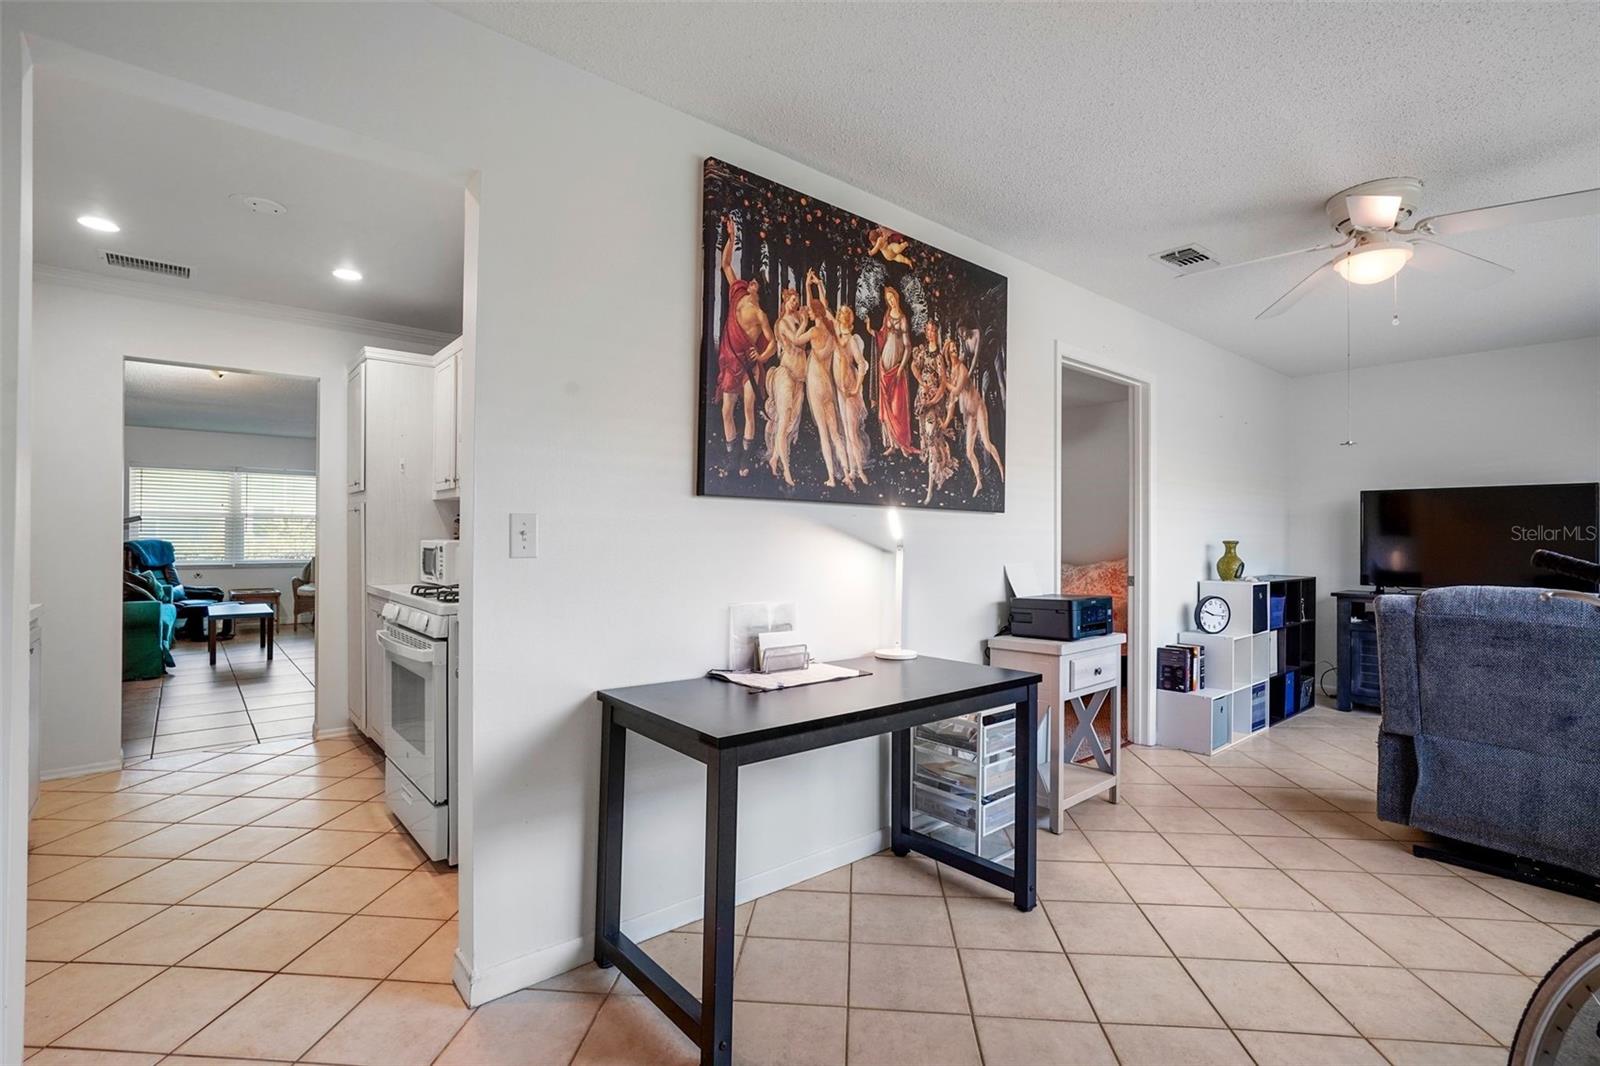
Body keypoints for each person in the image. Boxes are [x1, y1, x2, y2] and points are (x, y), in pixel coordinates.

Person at [715, 216, 774, 475]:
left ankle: (745, 459)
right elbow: (726, 264)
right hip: (731, 362)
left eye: (754, 283)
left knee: (749, 409)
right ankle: (731, 456)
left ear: (758, 290)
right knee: (727, 410)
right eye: (750, 281)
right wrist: (732, 237)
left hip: (749, 365)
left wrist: (760, 356)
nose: (749, 283)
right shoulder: (736, 293)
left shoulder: (760, 315)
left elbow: (773, 342)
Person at [801, 270, 850, 488]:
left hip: (815, 383)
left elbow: (794, 339)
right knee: (835, 433)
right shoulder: (831, 331)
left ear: (814, 313)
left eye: (810, 312)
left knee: (824, 432)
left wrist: (802, 321)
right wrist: (813, 285)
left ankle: (831, 476)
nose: (808, 313)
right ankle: (847, 473)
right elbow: (823, 305)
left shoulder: (812, 332)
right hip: (827, 386)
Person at [942, 331, 1005, 497]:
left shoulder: (962, 369)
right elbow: (952, 399)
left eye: (956, 349)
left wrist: (943, 381)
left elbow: (955, 389)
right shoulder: (952, 372)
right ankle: (979, 482)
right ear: (948, 354)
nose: (954, 352)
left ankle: (1001, 469)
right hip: (970, 415)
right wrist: (946, 421)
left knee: (986, 443)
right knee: (969, 452)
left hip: (978, 408)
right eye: (952, 350)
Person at [764, 284, 808, 487]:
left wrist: (808, 287)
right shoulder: (783, 323)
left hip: (800, 378)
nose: (796, 303)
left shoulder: (798, 319)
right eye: (792, 300)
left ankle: (774, 458)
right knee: (783, 423)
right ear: (785, 302)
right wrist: (805, 322)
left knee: (790, 422)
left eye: (797, 300)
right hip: (786, 375)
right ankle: (787, 471)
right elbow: (796, 340)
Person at [870, 285, 918, 460]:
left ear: (897, 298)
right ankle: (891, 443)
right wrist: (872, 332)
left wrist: (901, 367)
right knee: (886, 405)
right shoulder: (887, 316)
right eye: (888, 300)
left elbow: (908, 347)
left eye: (892, 298)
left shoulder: (903, 320)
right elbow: (882, 336)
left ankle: (902, 443)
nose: (891, 301)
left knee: (898, 406)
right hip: (884, 365)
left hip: (896, 369)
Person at [911, 342, 957, 504]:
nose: (930, 333)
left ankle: (930, 490)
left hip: (933, 405)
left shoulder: (938, 357)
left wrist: (932, 401)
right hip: (922, 403)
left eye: (933, 330)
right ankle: (938, 474)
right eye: (928, 330)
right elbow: (913, 366)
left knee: (932, 444)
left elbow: (943, 382)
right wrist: (921, 381)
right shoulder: (923, 352)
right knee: (931, 442)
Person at [833, 305, 871, 488]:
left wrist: (856, 388)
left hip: (848, 388)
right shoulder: (837, 336)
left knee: (851, 433)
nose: (842, 318)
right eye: (840, 315)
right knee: (845, 432)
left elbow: (862, 364)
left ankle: (859, 471)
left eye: (845, 316)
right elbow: (824, 310)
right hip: (840, 389)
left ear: (848, 320)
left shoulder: (851, 340)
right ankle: (850, 471)